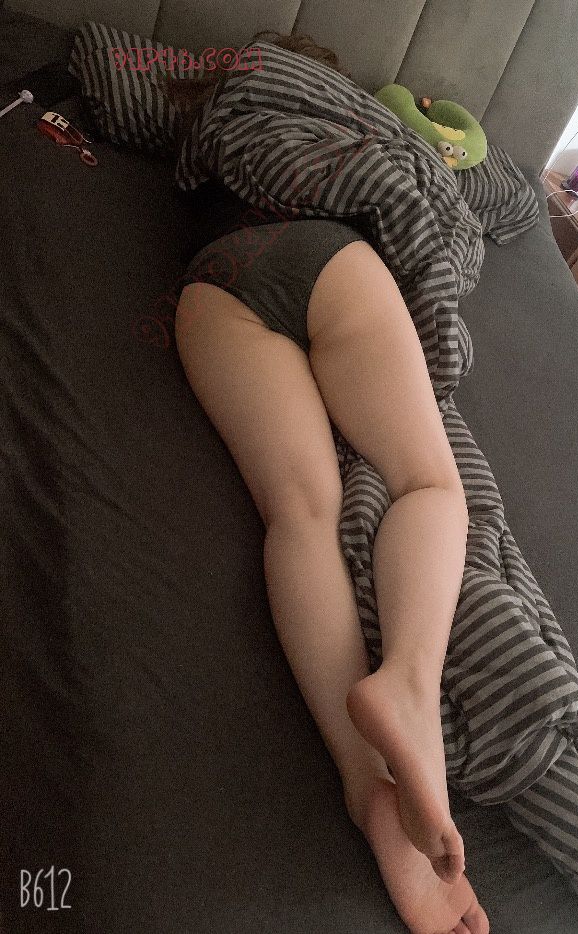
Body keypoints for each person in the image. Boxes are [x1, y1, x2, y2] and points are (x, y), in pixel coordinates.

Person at [167, 31, 489, 934]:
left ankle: (364, 784)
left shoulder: (207, 112)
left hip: (212, 286)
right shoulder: (364, 117)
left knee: (302, 514)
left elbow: (106, 67)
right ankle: (407, 685)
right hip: (327, 255)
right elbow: (487, 185)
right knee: (430, 485)